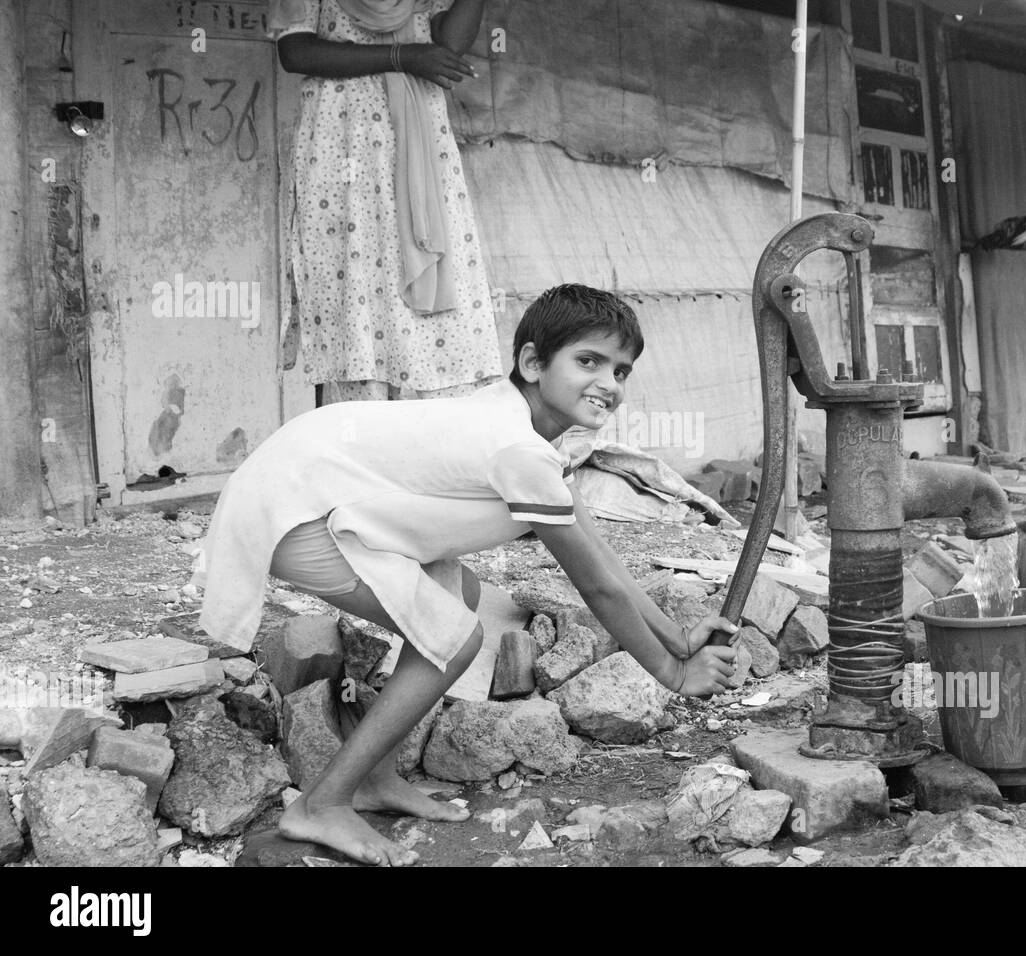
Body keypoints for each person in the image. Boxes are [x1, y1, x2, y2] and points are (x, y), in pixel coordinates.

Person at [198, 285, 741, 865]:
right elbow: (597, 586)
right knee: (454, 639)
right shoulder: (517, 449)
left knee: (456, 597)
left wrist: (679, 640)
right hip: (290, 511)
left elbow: (601, 556)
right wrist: (673, 674)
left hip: (320, 490)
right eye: (589, 360)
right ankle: (320, 806)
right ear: (533, 363)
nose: (609, 382)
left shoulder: (526, 437)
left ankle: (374, 779)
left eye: (622, 370)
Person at [269, 0, 503, 402]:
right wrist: (402, 56)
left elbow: (449, 42)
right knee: (353, 274)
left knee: (429, 269)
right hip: (343, 139)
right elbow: (296, 50)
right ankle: (359, 427)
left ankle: (440, 440)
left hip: (420, 146)